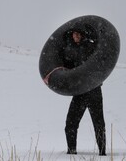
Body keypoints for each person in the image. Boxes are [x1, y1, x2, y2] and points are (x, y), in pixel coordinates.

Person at [43, 25, 106, 156]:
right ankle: (71, 152)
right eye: (74, 35)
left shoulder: (90, 46)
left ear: (82, 35)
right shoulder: (69, 50)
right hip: (80, 92)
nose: (76, 37)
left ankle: (102, 153)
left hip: (94, 90)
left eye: (78, 34)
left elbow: (101, 61)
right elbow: (65, 67)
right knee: (70, 123)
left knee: (98, 123)